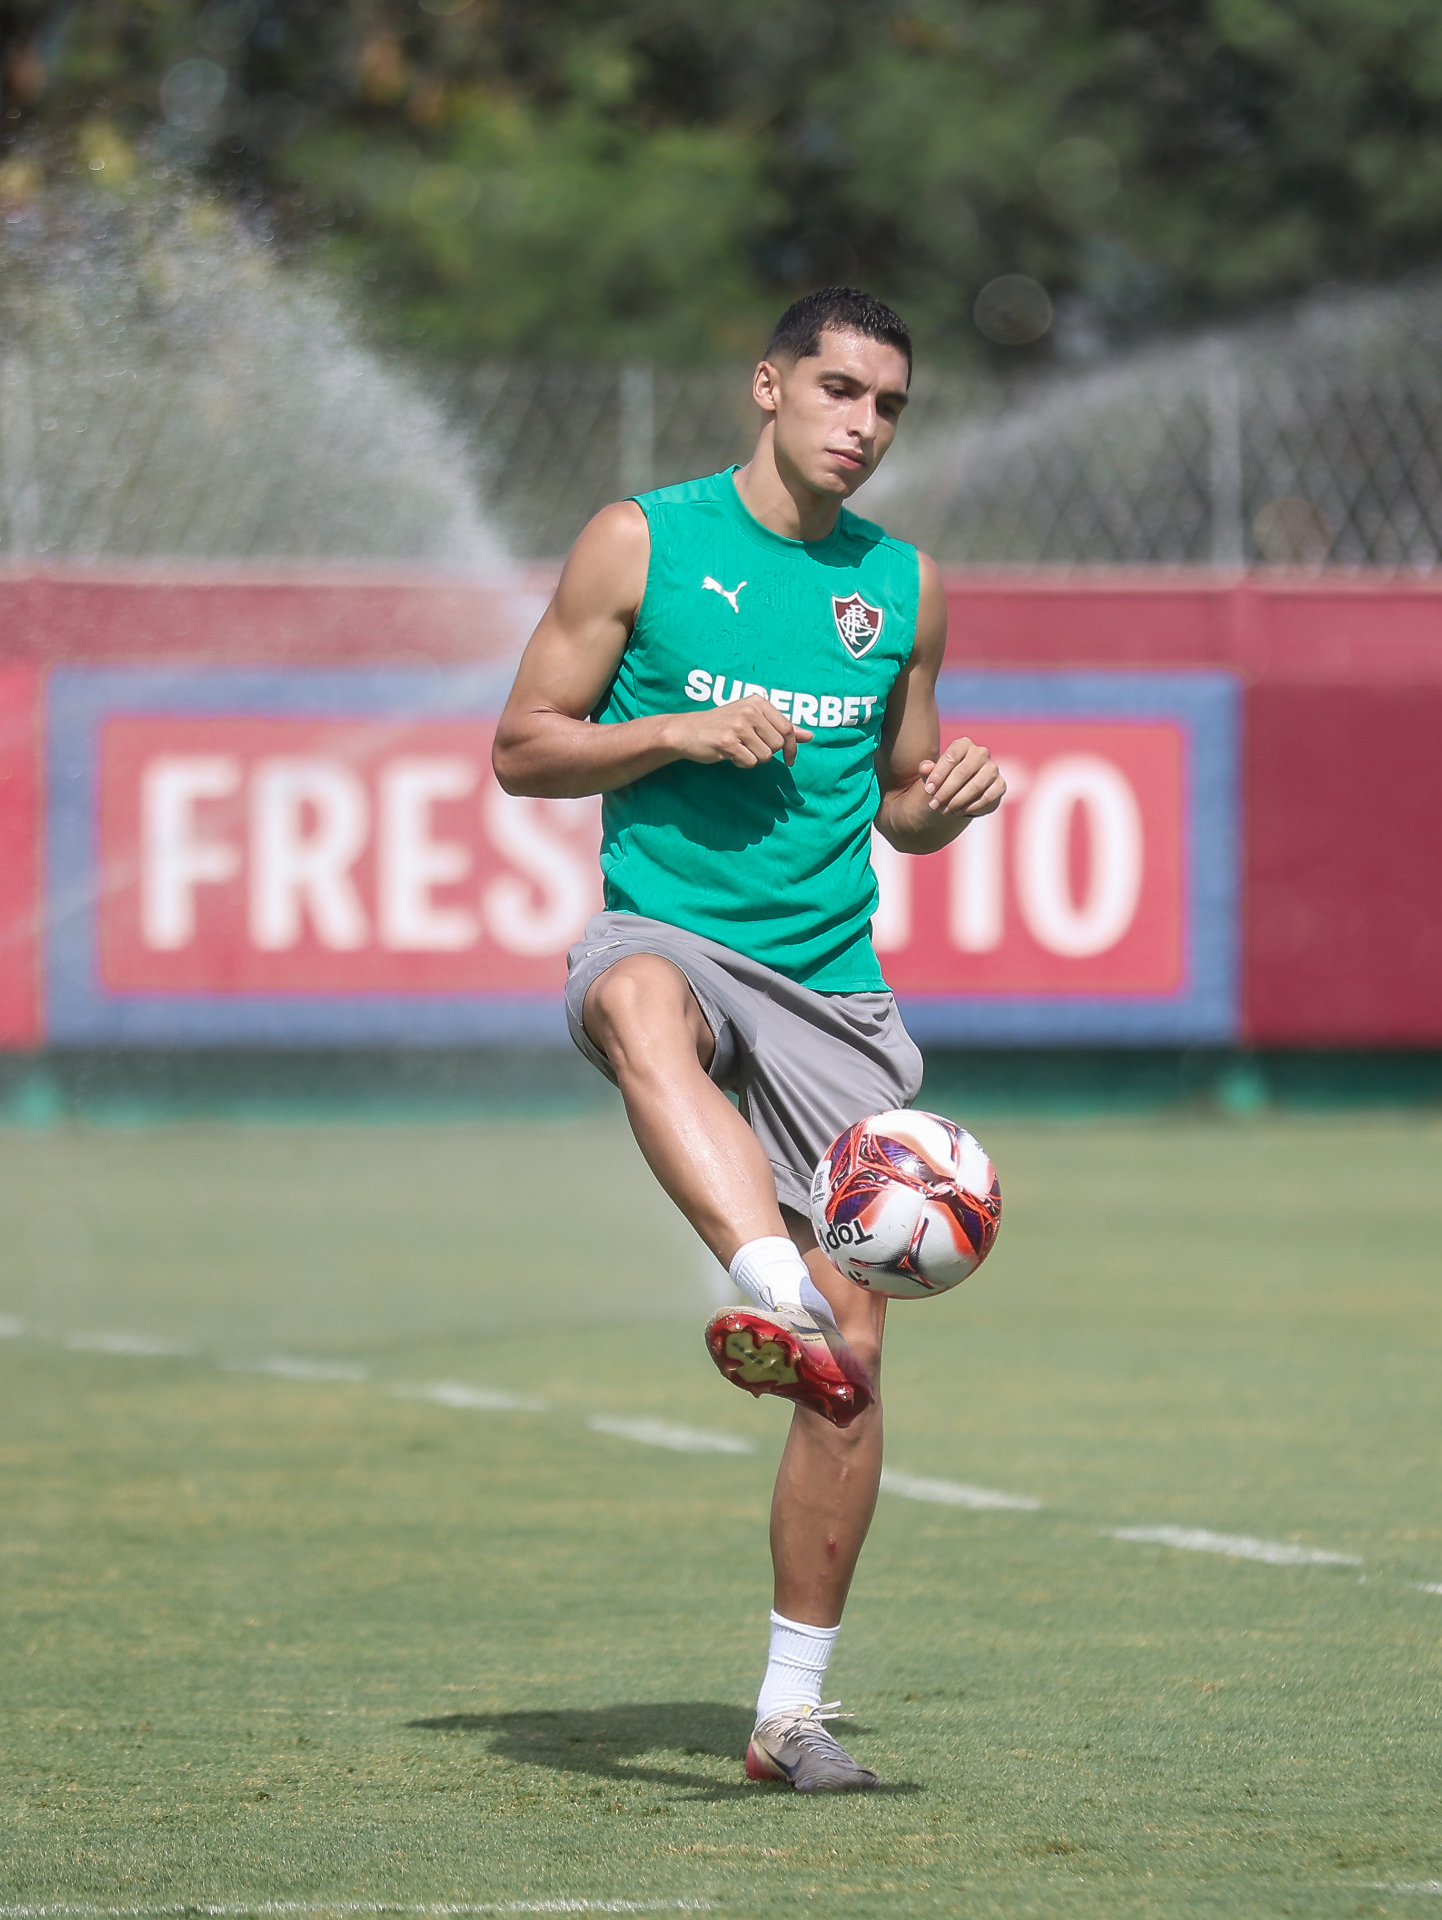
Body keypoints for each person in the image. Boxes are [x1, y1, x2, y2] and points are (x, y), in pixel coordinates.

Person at [492, 287, 1005, 1792]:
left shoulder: (902, 586)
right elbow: (523, 747)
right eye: (840, 391)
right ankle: (761, 1277)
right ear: (768, 385)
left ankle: (788, 1719)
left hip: (830, 993)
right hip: (671, 934)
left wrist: (940, 807)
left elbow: (901, 797)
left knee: (849, 1371)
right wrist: (673, 734)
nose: (863, 426)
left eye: (890, 406)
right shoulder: (641, 540)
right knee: (639, 1001)